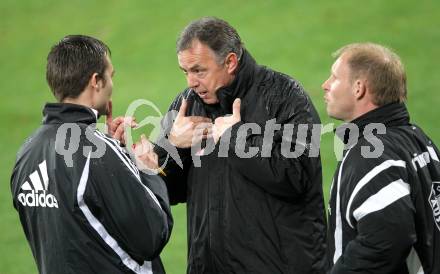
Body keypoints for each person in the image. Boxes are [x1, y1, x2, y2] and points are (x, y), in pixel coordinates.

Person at [151, 17, 328, 273]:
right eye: (185, 72)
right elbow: (168, 191)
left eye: (199, 70)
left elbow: (295, 176)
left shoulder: (284, 96)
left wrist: (234, 138)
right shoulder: (187, 105)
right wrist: (172, 147)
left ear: (231, 62)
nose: (191, 82)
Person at [10, 35, 173, 274]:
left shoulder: (27, 152)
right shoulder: (96, 152)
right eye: (111, 76)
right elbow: (151, 235)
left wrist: (112, 151)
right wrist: (147, 169)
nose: (112, 85)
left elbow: (76, 226)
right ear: (96, 81)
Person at [323, 42, 440, 273]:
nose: (325, 85)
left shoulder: (371, 153)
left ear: (359, 88)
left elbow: (389, 235)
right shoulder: (415, 138)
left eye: (334, 78)